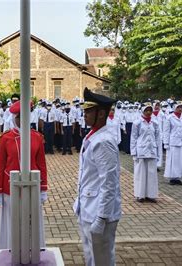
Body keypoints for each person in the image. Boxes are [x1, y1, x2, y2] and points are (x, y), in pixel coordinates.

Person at [73, 88, 122, 266]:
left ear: (101, 114)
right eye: (84, 110)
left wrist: (102, 217)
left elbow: (110, 183)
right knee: (91, 256)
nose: (84, 114)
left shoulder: (104, 141)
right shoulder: (93, 135)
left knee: (102, 260)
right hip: (88, 207)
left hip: (99, 213)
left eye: (88, 111)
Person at [0, 100, 48, 249]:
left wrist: (43, 188)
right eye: (19, 117)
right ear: (14, 118)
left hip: (33, 184)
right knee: (13, 220)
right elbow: (0, 165)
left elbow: (41, 164)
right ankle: (11, 249)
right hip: (10, 186)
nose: (22, 120)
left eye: (25, 116)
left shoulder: (37, 136)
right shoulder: (5, 138)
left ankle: (33, 248)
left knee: (32, 219)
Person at [131, 102, 162, 203]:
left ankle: (151, 194)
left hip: (152, 149)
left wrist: (158, 151)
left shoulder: (155, 123)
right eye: (146, 110)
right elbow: (133, 138)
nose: (148, 112)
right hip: (141, 150)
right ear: (142, 111)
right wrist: (134, 153)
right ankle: (140, 195)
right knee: (141, 173)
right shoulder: (137, 123)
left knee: (151, 173)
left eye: (150, 110)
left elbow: (157, 138)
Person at [163, 101, 182, 185]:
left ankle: (178, 177)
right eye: (178, 107)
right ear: (174, 108)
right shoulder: (169, 117)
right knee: (173, 160)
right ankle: (172, 178)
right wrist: (166, 143)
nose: (180, 109)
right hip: (172, 142)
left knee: (180, 160)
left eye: (181, 107)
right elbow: (166, 131)